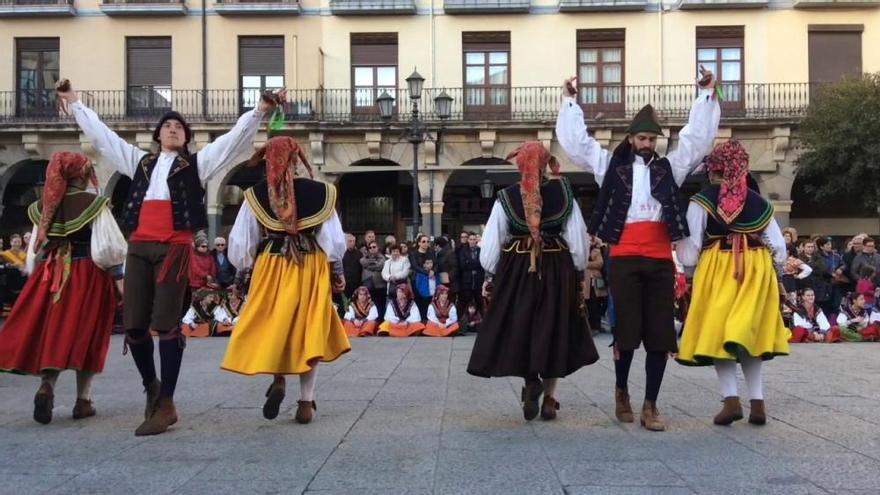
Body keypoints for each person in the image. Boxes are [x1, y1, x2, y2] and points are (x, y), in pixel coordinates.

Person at [58, 80, 284, 436]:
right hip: (139, 247)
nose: (173, 128)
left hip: (175, 248)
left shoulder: (196, 165)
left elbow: (231, 141)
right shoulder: (138, 162)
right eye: (167, 125)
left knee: (165, 324)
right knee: (133, 326)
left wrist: (259, 111)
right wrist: (74, 104)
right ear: (158, 135)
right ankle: (151, 384)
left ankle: (167, 403)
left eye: (179, 126)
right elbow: (103, 137)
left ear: (186, 137)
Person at [556, 67, 720, 431]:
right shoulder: (610, 168)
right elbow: (580, 146)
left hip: (661, 259)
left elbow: (695, 141)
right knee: (627, 333)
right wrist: (569, 101)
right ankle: (621, 390)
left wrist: (706, 94)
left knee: (660, 335)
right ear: (631, 139)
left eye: (652, 139)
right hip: (625, 258)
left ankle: (651, 404)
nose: (648, 144)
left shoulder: (669, 168)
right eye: (642, 138)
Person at [221, 136, 350, 425]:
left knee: (274, 324)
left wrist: (242, 278)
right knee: (308, 329)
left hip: (271, 263)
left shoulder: (255, 195)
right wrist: (337, 273)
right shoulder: (321, 192)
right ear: (296, 159)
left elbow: (242, 245)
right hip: (310, 264)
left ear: (268, 161)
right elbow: (332, 241)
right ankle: (306, 401)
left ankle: (279, 378)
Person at [467, 141, 599, 422]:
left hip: (518, 269)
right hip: (557, 267)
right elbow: (577, 241)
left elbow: (490, 247)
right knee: (553, 327)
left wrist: (494, 273)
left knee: (522, 325)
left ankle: (530, 380)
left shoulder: (506, 197)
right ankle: (550, 399)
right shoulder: (564, 194)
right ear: (543, 163)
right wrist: (575, 271)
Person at [0, 151, 126, 424]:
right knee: (89, 334)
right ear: (81, 174)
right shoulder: (94, 204)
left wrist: (36, 277)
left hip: (51, 274)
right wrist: (120, 284)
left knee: (55, 331)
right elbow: (108, 248)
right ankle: (83, 400)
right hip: (88, 274)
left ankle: (47, 386)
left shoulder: (41, 208)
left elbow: (35, 251)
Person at [674, 140, 790, 427]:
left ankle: (730, 401)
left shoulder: (702, 200)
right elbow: (778, 247)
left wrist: (689, 269)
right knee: (749, 333)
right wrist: (773, 273)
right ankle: (758, 403)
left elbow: (690, 249)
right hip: (757, 268)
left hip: (719, 267)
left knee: (719, 334)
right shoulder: (760, 202)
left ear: (714, 169)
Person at [457, 232, 485, 322]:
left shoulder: (481, 250)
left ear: (476, 240)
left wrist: (470, 262)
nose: (472, 241)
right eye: (471, 239)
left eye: (474, 239)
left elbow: (482, 264)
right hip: (467, 281)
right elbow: (462, 265)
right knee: (464, 302)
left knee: (480, 302)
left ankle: (482, 322)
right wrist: (474, 264)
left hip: (478, 280)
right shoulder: (463, 251)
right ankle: (462, 322)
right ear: (468, 240)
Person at [360, 241, 387, 319]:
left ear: (377, 248)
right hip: (368, 285)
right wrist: (374, 263)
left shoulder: (382, 257)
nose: (372, 249)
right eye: (370, 247)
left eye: (374, 247)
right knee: (369, 305)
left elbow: (380, 265)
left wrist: (369, 266)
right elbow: (362, 262)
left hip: (380, 286)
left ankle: (380, 322)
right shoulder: (364, 258)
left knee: (380, 305)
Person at [343, 233, 363, 298]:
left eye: (354, 241)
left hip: (357, 283)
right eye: (350, 241)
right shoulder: (342, 253)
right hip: (345, 283)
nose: (352, 243)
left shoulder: (359, 254)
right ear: (345, 242)